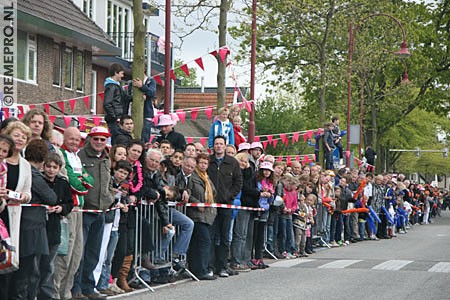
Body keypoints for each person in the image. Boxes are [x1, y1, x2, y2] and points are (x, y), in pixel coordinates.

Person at [11, 139, 57, 300]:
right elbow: (51, 197)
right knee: (29, 270)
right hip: (31, 226)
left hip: (30, 224)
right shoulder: (33, 173)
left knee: (31, 269)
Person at [73, 126, 114, 300]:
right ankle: (76, 288)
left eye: (102, 139)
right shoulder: (80, 156)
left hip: (100, 211)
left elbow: (108, 182)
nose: (99, 142)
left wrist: (109, 197)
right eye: (96, 139)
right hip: (85, 210)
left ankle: (88, 287)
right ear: (90, 139)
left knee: (94, 252)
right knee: (79, 253)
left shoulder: (106, 159)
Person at [54, 127, 94, 300]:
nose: (74, 142)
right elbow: (73, 183)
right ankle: (56, 293)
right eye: (71, 139)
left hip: (80, 210)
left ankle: (66, 293)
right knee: (64, 255)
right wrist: (81, 182)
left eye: (77, 140)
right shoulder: (62, 155)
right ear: (65, 138)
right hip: (68, 211)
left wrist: (82, 182)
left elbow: (89, 181)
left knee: (76, 256)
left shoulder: (76, 157)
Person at [38, 153, 74, 300]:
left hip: (54, 227)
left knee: (49, 265)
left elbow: (69, 203)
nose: (51, 170)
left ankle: (46, 294)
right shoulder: (38, 180)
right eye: (48, 166)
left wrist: (61, 208)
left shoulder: (62, 183)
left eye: (54, 167)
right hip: (40, 226)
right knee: (37, 264)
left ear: (59, 168)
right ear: (44, 166)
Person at [207, 136, 243, 277]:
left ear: (225, 146)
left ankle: (222, 267)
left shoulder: (232, 162)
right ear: (213, 146)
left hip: (226, 205)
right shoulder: (208, 161)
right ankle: (210, 266)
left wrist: (230, 196)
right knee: (211, 235)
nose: (219, 146)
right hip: (210, 205)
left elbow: (238, 182)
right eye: (216, 144)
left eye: (221, 144)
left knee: (224, 236)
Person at [0, 130, 28, 299]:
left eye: (4, 151)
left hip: (7, 212)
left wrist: (8, 196)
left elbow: (26, 192)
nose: (1, 153)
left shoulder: (5, 167)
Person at [98, 160, 132, 296]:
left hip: (116, 225)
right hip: (107, 222)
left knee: (109, 257)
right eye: (120, 172)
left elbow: (125, 201)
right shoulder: (109, 183)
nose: (121, 175)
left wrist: (125, 203)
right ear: (115, 170)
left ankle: (106, 283)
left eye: (125, 173)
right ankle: (100, 283)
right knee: (103, 255)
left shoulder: (124, 187)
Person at [186, 153, 217, 280]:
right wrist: (196, 203)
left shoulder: (207, 178)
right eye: (201, 163)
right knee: (204, 241)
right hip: (196, 214)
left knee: (201, 242)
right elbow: (188, 192)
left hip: (208, 215)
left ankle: (199, 269)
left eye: (205, 163)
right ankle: (201, 270)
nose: (203, 165)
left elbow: (214, 192)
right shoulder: (192, 176)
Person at [230, 152, 258, 272]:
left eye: (245, 161)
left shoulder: (249, 173)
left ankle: (243, 260)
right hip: (238, 205)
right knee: (239, 235)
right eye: (241, 160)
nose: (243, 163)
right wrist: (257, 193)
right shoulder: (235, 173)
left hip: (247, 205)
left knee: (244, 235)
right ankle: (236, 261)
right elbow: (244, 187)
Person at [253, 161, 275, 268]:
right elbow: (256, 192)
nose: (267, 172)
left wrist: (270, 194)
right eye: (265, 170)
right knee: (255, 234)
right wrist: (262, 192)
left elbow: (271, 199)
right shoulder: (258, 181)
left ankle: (259, 257)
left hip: (265, 209)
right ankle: (254, 257)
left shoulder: (270, 183)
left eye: (269, 171)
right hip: (257, 208)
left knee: (262, 234)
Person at [103, 63, 127, 144]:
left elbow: (125, 98)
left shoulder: (117, 86)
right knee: (116, 141)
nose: (122, 76)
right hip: (115, 119)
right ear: (116, 73)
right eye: (121, 73)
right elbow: (107, 103)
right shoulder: (111, 86)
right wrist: (114, 117)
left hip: (118, 118)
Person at [131, 72, 156, 144]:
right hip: (133, 113)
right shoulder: (131, 82)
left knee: (144, 139)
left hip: (146, 114)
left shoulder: (150, 81)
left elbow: (152, 93)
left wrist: (142, 86)